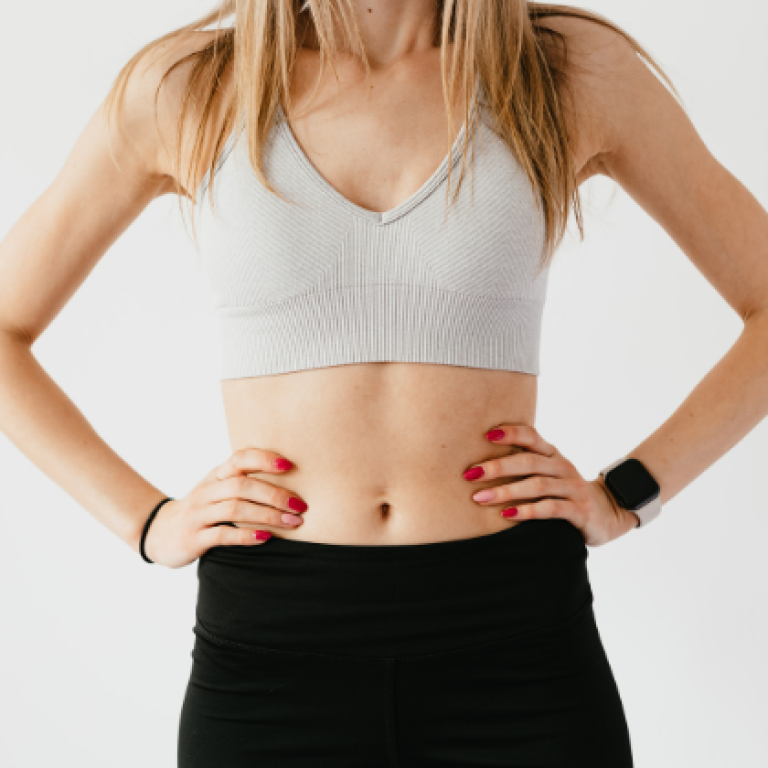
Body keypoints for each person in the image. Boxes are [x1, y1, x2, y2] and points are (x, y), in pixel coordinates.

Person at [1, 1, 767, 766]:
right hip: (274, 658)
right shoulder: (193, 86)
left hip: (518, 648)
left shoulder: (565, 71)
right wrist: (147, 523)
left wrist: (625, 495)